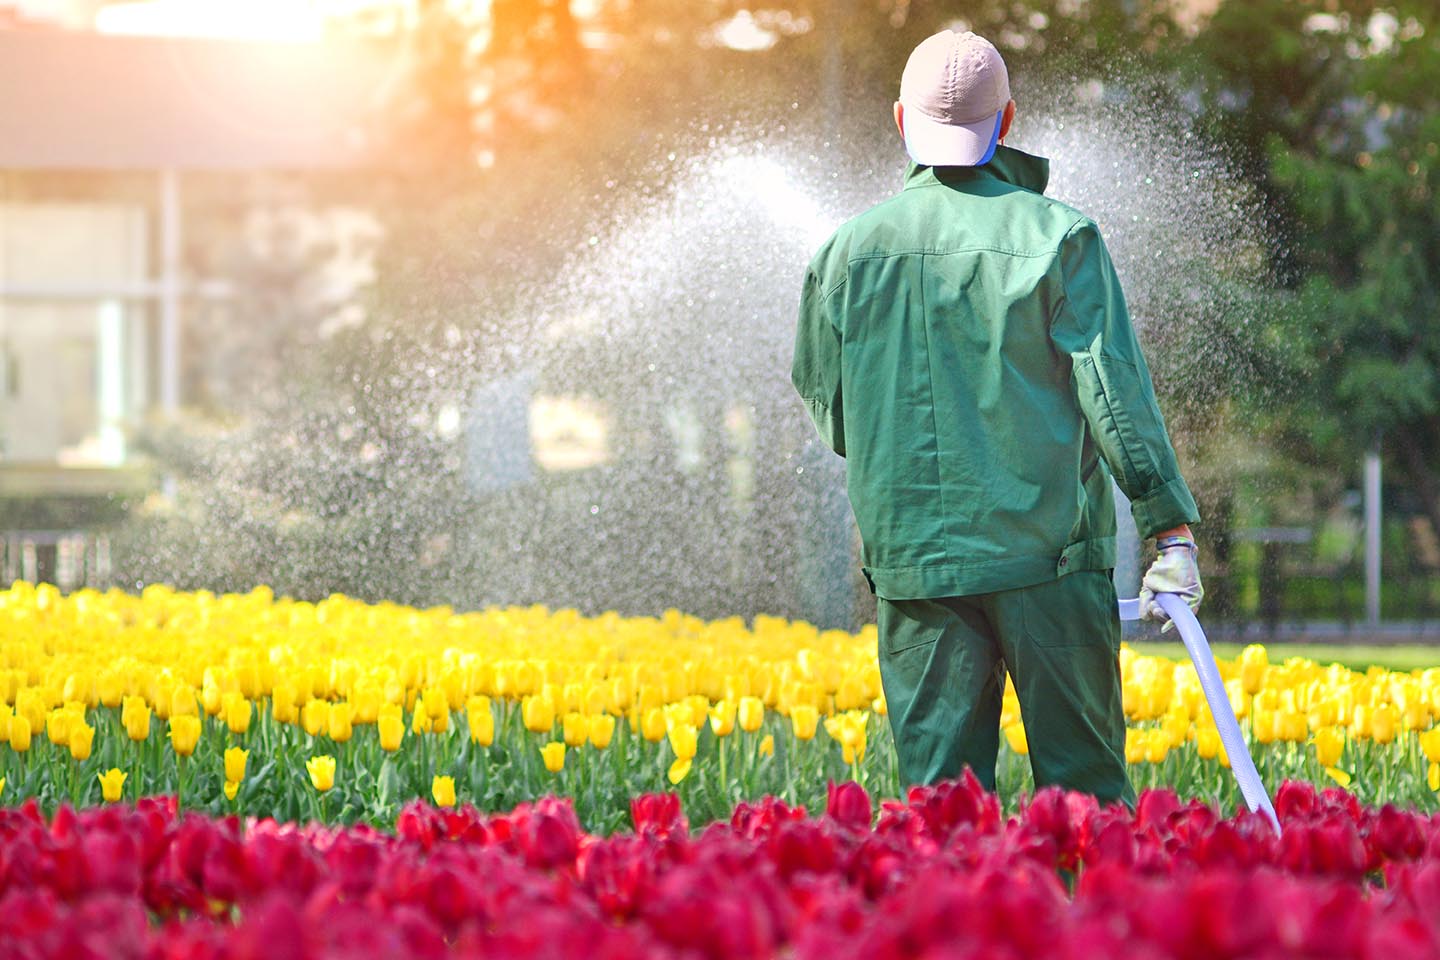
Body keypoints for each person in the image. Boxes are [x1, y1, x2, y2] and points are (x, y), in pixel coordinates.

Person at [790, 29, 1203, 807]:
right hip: (1050, 564)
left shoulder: (843, 254)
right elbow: (1113, 396)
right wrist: (1167, 527)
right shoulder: (1061, 237)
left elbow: (835, 415)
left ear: (900, 120)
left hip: (916, 570)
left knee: (940, 818)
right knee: (1085, 808)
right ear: (1007, 121)